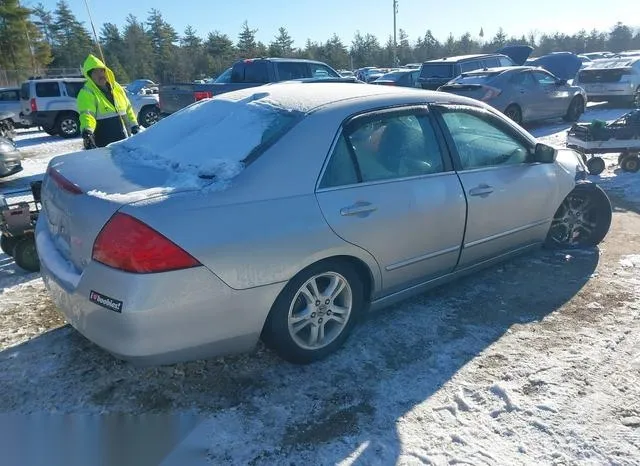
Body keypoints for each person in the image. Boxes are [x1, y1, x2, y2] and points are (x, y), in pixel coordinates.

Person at [77, 54, 140, 150]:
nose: (100, 74)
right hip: (104, 145)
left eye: (102, 70)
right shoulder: (86, 92)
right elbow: (87, 115)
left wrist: (134, 125)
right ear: (90, 76)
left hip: (124, 141)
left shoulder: (117, 88)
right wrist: (87, 131)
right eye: (95, 72)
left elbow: (128, 109)